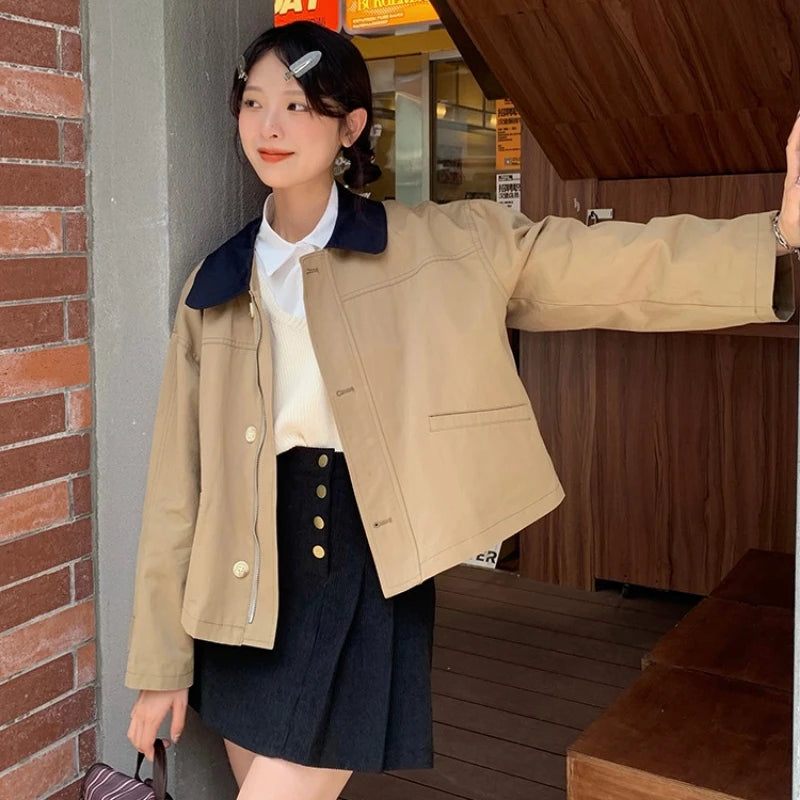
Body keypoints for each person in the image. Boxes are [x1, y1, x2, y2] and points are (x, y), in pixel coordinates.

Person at [124, 19, 800, 800]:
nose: (269, 125)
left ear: (351, 125)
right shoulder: (215, 284)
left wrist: (776, 237)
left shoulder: (441, 245)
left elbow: (610, 267)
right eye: (253, 102)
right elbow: (177, 489)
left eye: (298, 105)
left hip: (359, 561)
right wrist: (161, 666)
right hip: (239, 584)